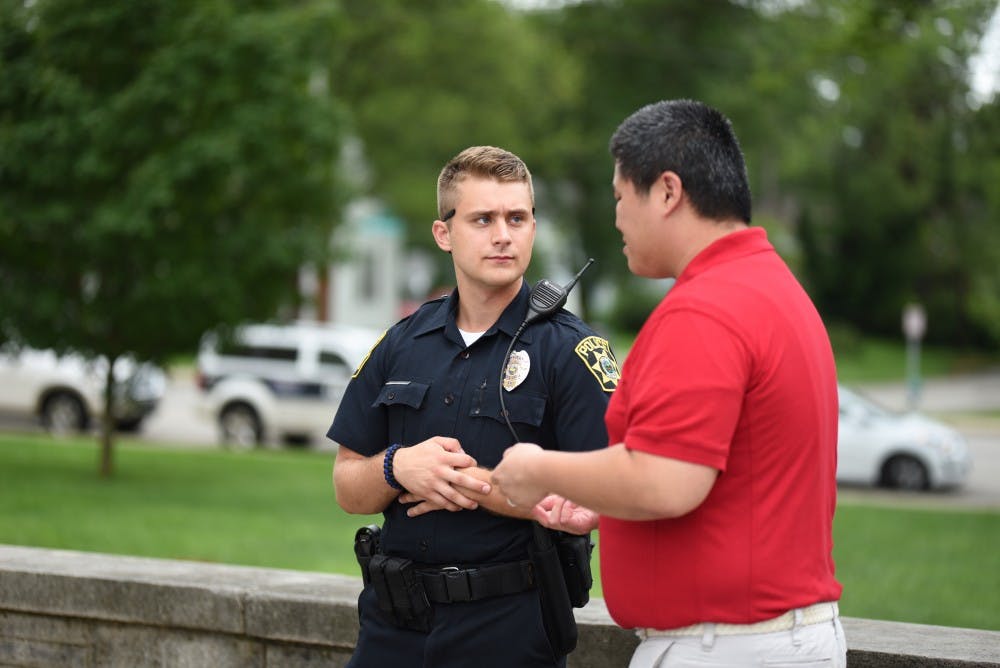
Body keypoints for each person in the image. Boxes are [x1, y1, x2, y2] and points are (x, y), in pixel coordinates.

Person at [492, 100, 846, 667]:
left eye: (619, 197)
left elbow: (666, 481)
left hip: (725, 646)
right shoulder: (771, 287)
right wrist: (596, 496)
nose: (616, 219)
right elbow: (727, 478)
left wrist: (537, 469)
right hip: (775, 637)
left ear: (666, 192)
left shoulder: (704, 308)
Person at [328, 145, 619, 668]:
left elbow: (602, 497)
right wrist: (399, 466)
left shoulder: (571, 351)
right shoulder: (401, 342)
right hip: (393, 628)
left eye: (517, 217)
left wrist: (463, 484)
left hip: (507, 630)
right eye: (482, 219)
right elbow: (347, 484)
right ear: (445, 234)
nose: (503, 234)